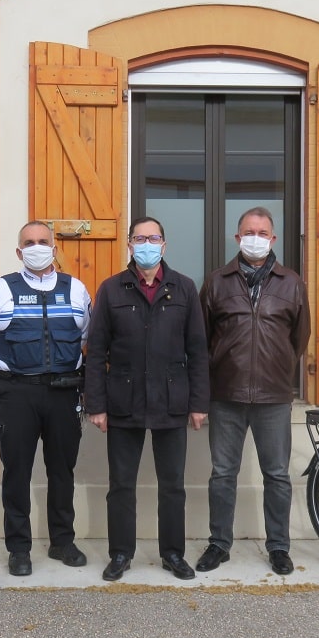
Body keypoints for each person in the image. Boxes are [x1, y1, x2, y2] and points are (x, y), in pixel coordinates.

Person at [85, 217, 209, 582]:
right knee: (121, 485)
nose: (147, 244)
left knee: (173, 486)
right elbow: (95, 352)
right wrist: (97, 405)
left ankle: (173, 553)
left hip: (172, 400)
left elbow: (198, 351)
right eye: (140, 238)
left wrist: (199, 403)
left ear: (164, 245)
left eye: (153, 238)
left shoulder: (184, 288)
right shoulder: (111, 289)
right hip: (123, 400)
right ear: (129, 244)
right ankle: (120, 553)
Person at [197, 207, 311, 576]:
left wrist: (275, 369)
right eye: (248, 231)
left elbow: (299, 338)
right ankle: (219, 543)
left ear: (273, 239)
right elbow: (203, 337)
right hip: (225, 393)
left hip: (273, 396)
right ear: (236, 237)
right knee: (222, 474)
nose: (255, 238)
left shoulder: (292, 283)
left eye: (262, 232)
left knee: (277, 474)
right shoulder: (216, 282)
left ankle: (278, 546)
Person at [0, 221, 91, 577]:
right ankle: (19, 548)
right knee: (17, 471)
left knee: (62, 470)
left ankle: (62, 542)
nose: (37, 247)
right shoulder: (0, 291)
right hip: (17, 393)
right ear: (19, 251)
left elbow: (87, 334)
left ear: (54, 249)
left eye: (43, 242)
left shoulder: (76, 290)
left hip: (63, 392)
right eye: (29, 242)